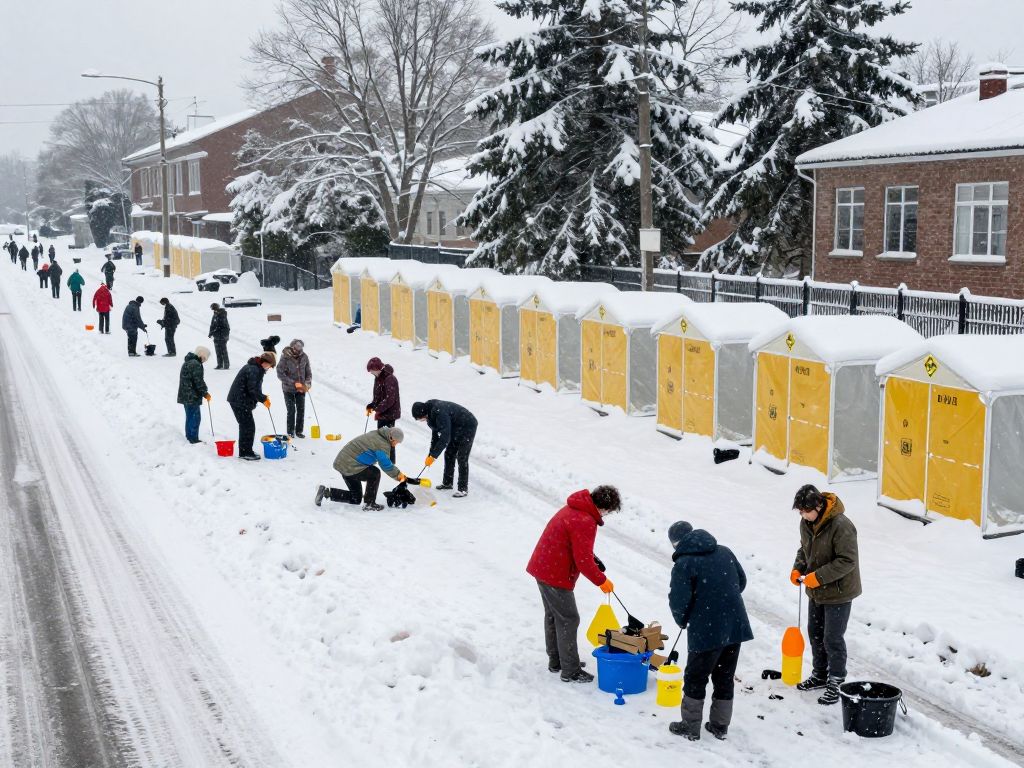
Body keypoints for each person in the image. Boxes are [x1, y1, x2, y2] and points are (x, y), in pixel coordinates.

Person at [667, 521, 753, 741]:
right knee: (724, 676)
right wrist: (723, 599)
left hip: (706, 628)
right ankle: (719, 725)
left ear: (676, 544)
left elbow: (679, 600)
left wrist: (683, 619)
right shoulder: (724, 551)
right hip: (734, 624)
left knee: (696, 677)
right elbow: (741, 581)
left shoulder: (684, 563)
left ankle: (690, 725)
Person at [525, 486, 621, 683]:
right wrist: (601, 581)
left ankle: (557, 661)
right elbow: (582, 561)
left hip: (542, 567)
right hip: (555, 574)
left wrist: (593, 559)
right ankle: (570, 670)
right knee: (569, 619)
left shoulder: (575, 508)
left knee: (554, 615)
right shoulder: (585, 520)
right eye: (608, 511)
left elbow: (575, 545)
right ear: (605, 508)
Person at [790, 484, 861, 706]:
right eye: (799, 511)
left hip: (839, 592)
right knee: (815, 633)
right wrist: (798, 568)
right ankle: (820, 674)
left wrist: (818, 577)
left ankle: (837, 681)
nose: (802, 514)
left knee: (833, 638)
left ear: (819, 506)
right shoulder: (806, 523)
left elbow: (847, 561)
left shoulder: (842, 525)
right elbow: (804, 549)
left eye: (804, 510)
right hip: (816, 590)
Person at [315, 426, 408, 511]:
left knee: (356, 498)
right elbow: (386, 465)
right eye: (396, 442)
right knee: (374, 473)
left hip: (343, 463)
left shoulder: (377, 434)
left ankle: (326, 492)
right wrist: (399, 476)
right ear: (391, 437)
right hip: (350, 465)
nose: (396, 444)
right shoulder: (382, 444)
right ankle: (369, 503)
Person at [411, 400, 477, 497]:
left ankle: (463, 489)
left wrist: (434, 456)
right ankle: (447, 483)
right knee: (449, 453)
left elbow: (445, 438)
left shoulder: (439, 412)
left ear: (423, 413)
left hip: (468, 425)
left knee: (462, 456)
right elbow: (436, 436)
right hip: (455, 426)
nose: (421, 421)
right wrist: (430, 454)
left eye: (420, 418)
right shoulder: (430, 414)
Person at [226, 351, 275, 460]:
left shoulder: (254, 367)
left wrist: (262, 397)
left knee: (246, 426)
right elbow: (252, 389)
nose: (269, 368)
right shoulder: (254, 370)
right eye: (270, 366)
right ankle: (245, 453)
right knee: (248, 427)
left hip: (239, 399)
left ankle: (245, 451)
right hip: (239, 400)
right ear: (265, 362)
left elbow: (254, 388)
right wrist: (263, 399)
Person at [276, 339, 312, 438]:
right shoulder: (285, 357)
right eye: (296, 347)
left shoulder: (304, 357)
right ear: (292, 347)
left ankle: (299, 431)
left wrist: (307, 383)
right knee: (291, 410)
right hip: (288, 389)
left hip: (301, 389)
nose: (298, 350)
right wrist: (293, 383)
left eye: (300, 348)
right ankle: (290, 431)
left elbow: (308, 372)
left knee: (301, 410)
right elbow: (280, 373)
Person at [366, 357, 400, 460]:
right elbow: (378, 396)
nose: (371, 373)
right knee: (381, 437)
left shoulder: (390, 379)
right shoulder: (378, 378)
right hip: (382, 413)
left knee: (389, 439)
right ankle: (383, 459)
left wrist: (378, 409)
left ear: (378, 369)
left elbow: (390, 399)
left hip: (389, 414)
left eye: (372, 371)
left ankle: (390, 461)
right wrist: (372, 405)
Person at [177, 346, 213, 444]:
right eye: (205, 358)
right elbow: (198, 382)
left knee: (190, 417)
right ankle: (193, 438)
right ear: (201, 355)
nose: (205, 361)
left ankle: (189, 437)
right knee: (195, 417)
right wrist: (205, 393)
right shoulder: (196, 364)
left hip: (185, 395)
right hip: (191, 396)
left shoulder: (188, 362)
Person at [209, 303, 230, 369]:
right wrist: (210, 333)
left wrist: (214, 331)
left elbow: (221, 326)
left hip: (223, 335)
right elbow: (212, 325)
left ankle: (226, 365)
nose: (214, 311)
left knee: (223, 350)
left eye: (214, 309)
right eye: (213, 310)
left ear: (217, 308)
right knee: (218, 351)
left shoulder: (222, 314)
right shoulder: (215, 314)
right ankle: (220, 364)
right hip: (216, 335)